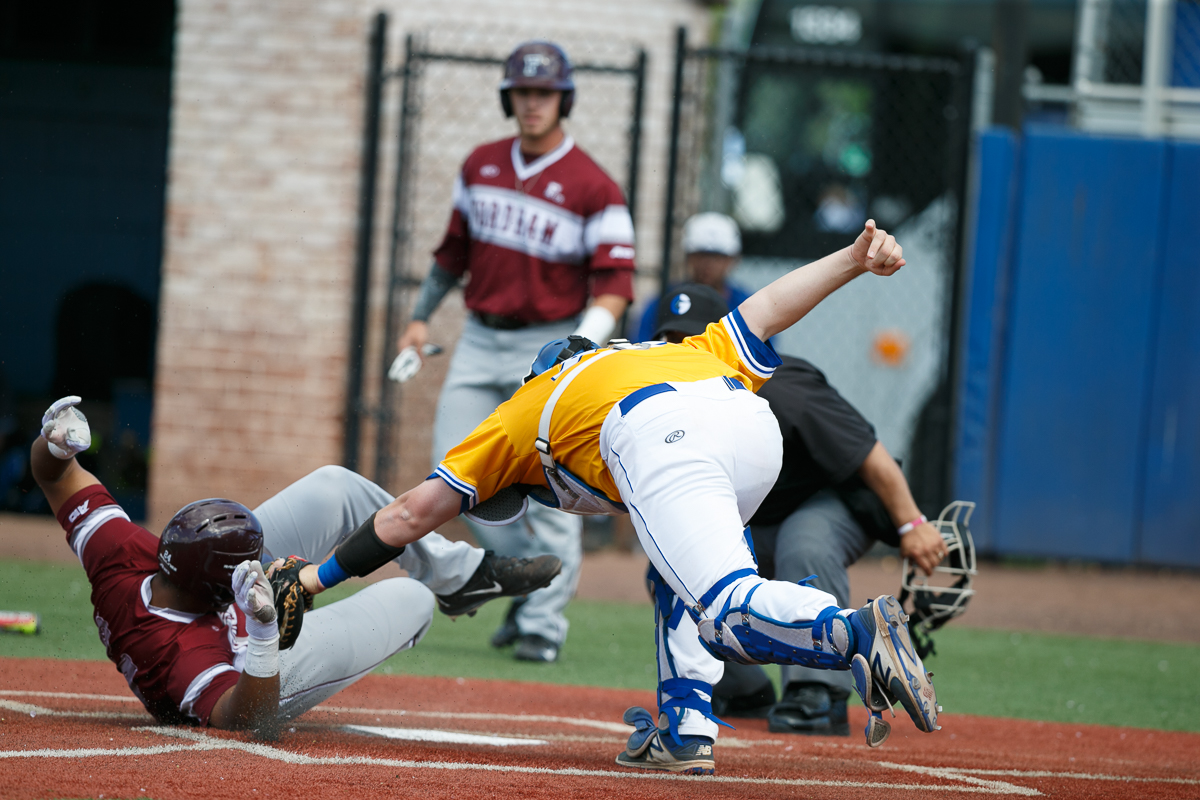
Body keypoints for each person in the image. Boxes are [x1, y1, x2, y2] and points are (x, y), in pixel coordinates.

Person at [295, 220, 942, 775]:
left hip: (661, 435)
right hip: (748, 433)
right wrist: (853, 260)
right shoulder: (673, 350)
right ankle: (688, 727)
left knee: (722, 609)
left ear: (539, 374)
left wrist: (313, 580)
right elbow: (771, 306)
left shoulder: (523, 409)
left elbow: (409, 514)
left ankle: (852, 632)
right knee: (681, 579)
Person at [31, 396, 560, 735]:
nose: (271, 560)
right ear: (224, 592)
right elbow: (246, 717)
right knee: (412, 599)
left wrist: (54, 445)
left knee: (335, 485)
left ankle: (462, 577)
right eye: (253, 564)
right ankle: (433, 590)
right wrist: (263, 635)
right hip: (245, 671)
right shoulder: (182, 658)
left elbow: (56, 478)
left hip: (210, 606)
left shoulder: (127, 554)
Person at [394, 40, 635, 664]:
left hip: (548, 341)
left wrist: (582, 346)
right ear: (509, 97)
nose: (533, 103)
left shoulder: (595, 185)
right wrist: (419, 318)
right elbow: (451, 254)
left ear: (563, 100)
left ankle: (543, 625)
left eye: (545, 93)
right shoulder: (480, 164)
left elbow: (616, 284)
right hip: (479, 335)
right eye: (524, 92)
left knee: (552, 479)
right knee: (452, 465)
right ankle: (521, 577)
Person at [652, 285, 948, 737]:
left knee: (802, 542)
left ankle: (818, 694)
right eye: (669, 341)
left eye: (688, 339)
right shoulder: (657, 403)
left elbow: (871, 453)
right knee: (673, 571)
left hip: (834, 500)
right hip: (763, 516)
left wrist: (912, 523)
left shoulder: (781, 385)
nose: (679, 350)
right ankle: (744, 686)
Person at [634, 213, 751, 343]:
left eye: (717, 256)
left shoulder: (746, 305)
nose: (708, 264)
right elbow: (641, 346)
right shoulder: (663, 301)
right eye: (701, 255)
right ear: (688, 257)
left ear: (731, 260)